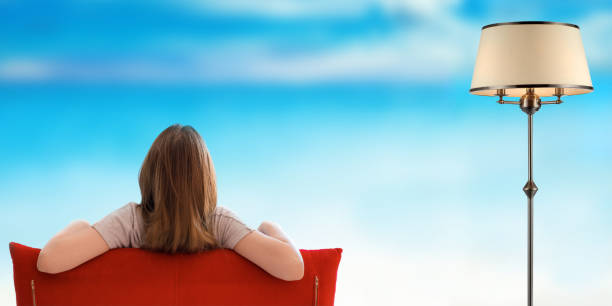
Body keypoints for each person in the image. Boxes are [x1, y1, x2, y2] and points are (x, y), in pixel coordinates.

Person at [36, 124, 304, 281]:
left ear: (150, 174)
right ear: (206, 180)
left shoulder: (130, 221)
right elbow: (294, 268)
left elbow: (48, 261)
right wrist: (270, 227)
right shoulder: (219, 223)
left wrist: (79, 225)